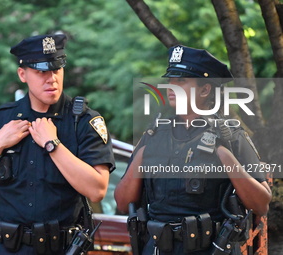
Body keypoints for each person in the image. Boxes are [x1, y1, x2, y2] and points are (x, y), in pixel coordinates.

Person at [0, 33, 115, 255]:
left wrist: (53, 145)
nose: (51, 78)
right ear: (22, 74)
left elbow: (97, 190)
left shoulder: (83, 122)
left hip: (59, 248)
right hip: (5, 247)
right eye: (41, 72)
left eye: (56, 70)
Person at [114, 45, 272, 255]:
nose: (171, 87)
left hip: (210, 249)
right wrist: (143, 154)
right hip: (158, 248)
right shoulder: (153, 134)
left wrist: (225, 156)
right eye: (170, 81)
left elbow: (261, 204)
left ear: (205, 90)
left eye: (181, 81)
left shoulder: (230, 136)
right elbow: (123, 203)